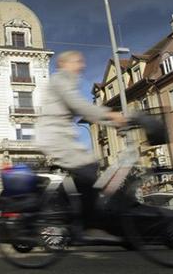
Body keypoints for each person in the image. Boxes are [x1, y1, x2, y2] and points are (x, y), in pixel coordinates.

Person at [35, 50, 126, 231]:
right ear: (64, 64)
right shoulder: (61, 80)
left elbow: (81, 109)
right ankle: (86, 224)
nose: (82, 65)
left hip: (58, 138)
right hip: (55, 138)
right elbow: (79, 105)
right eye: (77, 61)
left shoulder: (65, 81)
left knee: (84, 174)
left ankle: (75, 215)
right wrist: (112, 115)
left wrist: (109, 120)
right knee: (88, 169)